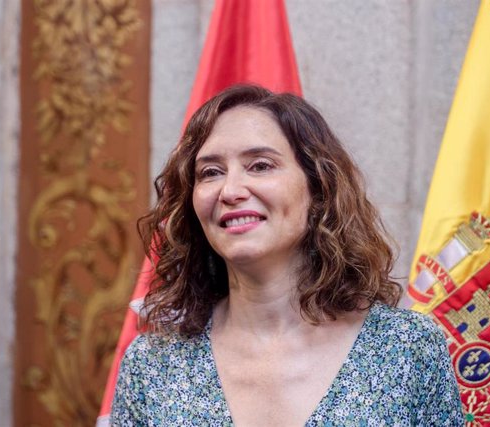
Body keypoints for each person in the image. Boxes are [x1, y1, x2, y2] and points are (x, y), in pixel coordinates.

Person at [110, 84, 464, 426]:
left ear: (318, 188)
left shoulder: (407, 349)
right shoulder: (152, 365)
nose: (230, 190)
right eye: (211, 173)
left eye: (260, 165)